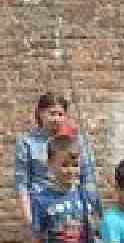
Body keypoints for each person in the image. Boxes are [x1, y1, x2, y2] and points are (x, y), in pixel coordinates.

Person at [15, 93, 97, 228]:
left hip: (73, 205)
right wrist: (29, 218)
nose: (56, 119)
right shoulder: (27, 143)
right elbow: (22, 183)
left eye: (60, 114)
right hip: (43, 207)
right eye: (52, 114)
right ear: (40, 113)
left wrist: (91, 209)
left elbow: (88, 178)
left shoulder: (77, 141)